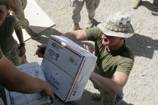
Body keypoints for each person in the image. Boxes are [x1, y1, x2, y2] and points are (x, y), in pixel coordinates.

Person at [36, 12, 134, 105]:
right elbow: (74, 35)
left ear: (123, 37)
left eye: (111, 35)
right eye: (105, 31)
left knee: (108, 98)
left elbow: (115, 87)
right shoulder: (101, 33)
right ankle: (101, 94)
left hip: (108, 86)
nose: (104, 36)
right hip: (98, 74)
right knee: (99, 88)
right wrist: (52, 45)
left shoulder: (126, 58)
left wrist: (86, 72)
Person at [0, 1, 27, 65]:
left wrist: (22, 45)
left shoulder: (11, 20)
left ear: (7, 13)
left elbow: (18, 29)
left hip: (13, 50)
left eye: (0, 12)